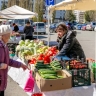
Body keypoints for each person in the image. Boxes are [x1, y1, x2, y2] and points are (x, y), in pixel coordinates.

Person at [0, 25, 28, 96]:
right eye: (8, 34)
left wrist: (21, 65)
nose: (10, 35)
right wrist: (0, 65)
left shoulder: (5, 46)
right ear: (2, 35)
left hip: (2, 81)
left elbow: (8, 61)